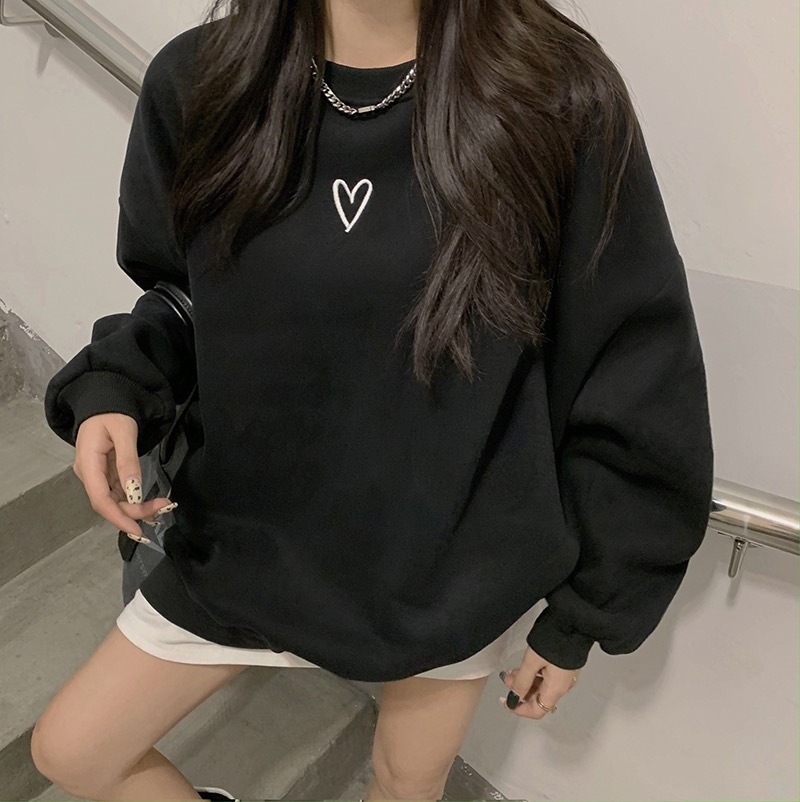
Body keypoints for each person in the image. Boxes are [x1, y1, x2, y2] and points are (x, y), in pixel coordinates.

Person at [33, 0, 715, 800]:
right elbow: (184, 293)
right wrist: (119, 385)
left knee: (404, 784)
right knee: (75, 752)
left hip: (443, 562)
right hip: (250, 536)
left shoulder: (556, 94)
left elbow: (631, 363)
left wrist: (583, 617)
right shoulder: (204, 81)